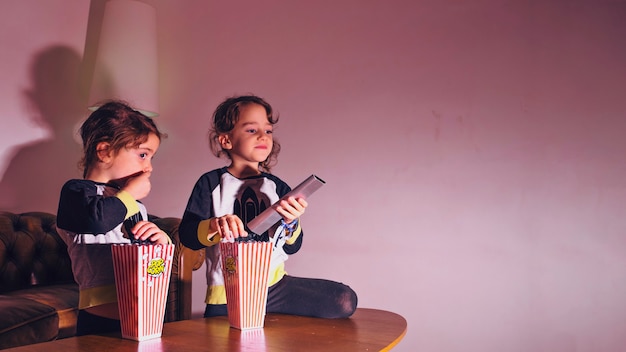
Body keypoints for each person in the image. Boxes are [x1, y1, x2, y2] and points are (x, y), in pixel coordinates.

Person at [179, 95, 358, 319]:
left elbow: (292, 247)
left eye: (268, 130)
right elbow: (187, 235)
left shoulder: (278, 187)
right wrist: (215, 226)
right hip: (228, 292)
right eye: (252, 130)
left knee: (344, 299)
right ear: (226, 140)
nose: (263, 135)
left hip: (273, 288)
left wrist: (292, 224)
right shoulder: (210, 183)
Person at [56, 100, 170, 335]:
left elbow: (147, 261)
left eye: (151, 158)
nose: (148, 168)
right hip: (98, 320)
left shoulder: (134, 203)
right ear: (105, 151)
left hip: (142, 311)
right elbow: (96, 221)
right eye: (142, 155)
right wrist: (129, 195)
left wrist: (161, 244)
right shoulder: (77, 192)